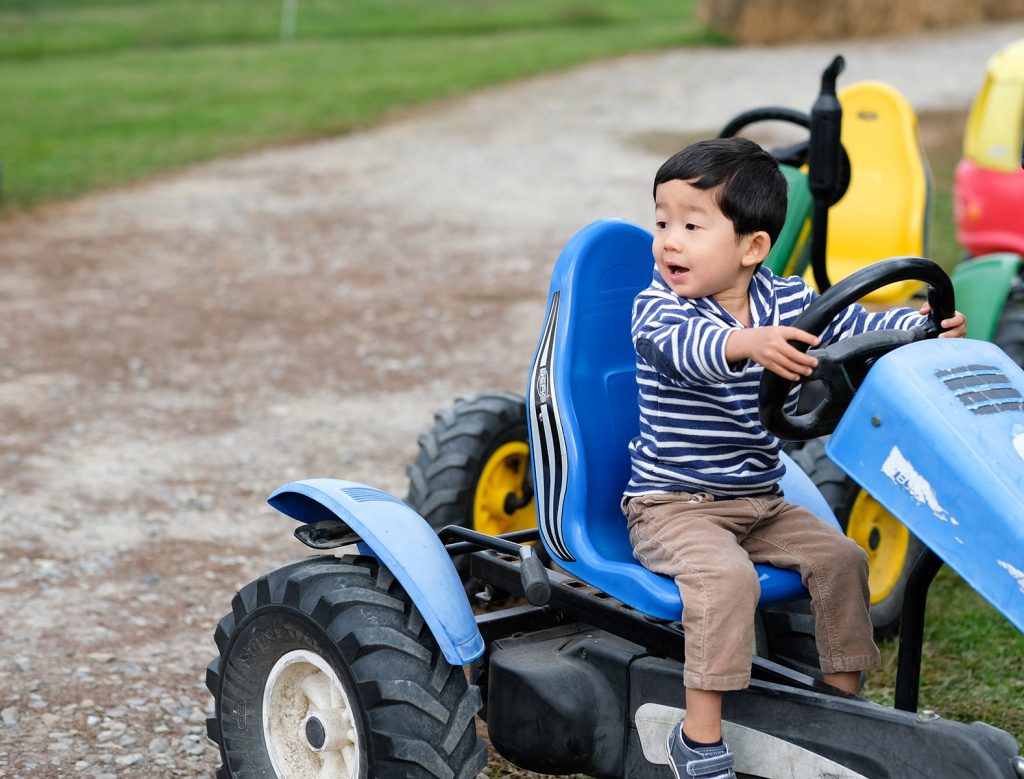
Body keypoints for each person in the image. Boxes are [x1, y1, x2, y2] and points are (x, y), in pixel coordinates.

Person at [622, 137, 967, 779]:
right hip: (674, 505)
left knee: (842, 559)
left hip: (762, 500)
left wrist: (921, 327)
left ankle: (839, 714)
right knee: (727, 581)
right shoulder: (659, 308)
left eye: (692, 225)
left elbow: (851, 328)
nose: (669, 241)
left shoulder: (783, 300)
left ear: (752, 248)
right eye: (662, 221)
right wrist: (746, 343)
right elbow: (687, 348)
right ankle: (697, 742)